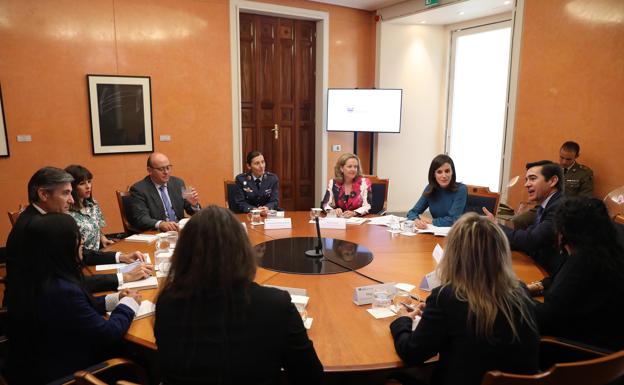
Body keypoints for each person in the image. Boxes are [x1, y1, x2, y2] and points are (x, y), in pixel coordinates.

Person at [154, 206, 323, 385]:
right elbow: (310, 377)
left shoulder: (166, 301)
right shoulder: (275, 305)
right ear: (243, 251)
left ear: (183, 253)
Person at [390, 213, 539, 385]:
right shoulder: (520, 290)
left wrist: (401, 320)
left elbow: (411, 353)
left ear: (454, 254)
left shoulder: (446, 297)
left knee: (392, 379)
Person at [5, 213, 141, 384]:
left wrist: (115, 298)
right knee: (140, 359)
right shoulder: (62, 289)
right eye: (77, 236)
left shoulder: (36, 274)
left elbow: (76, 310)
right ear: (61, 245)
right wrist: (128, 304)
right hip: (69, 372)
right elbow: (107, 334)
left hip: (38, 358)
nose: (82, 240)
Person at [6, 167, 152, 294]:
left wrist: (122, 257)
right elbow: (69, 284)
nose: (71, 200)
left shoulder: (41, 217)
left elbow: (79, 253)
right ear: (43, 194)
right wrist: (124, 277)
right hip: (36, 312)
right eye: (65, 193)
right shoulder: (38, 228)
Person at [527, 198, 624, 351]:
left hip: (581, 355)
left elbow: (546, 318)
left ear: (564, 232)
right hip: (612, 352)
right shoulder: (607, 249)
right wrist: (537, 286)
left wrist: (514, 299)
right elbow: (559, 280)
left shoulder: (583, 262)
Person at [484, 160, 564, 275]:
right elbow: (527, 234)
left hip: (550, 275)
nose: (526, 184)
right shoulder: (546, 205)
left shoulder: (559, 207)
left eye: (532, 178)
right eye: (526, 180)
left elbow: (531, 240)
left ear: (552, 181)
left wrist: (496, 225)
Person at [511, 141, 594, 229]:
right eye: (561, 157)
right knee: (518, 220)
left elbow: (585, 199)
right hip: (543, 208)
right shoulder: (551, 169)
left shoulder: (584, 173)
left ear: (576, 156)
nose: (564, 162)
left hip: (566, 211)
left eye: (568, 159)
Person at [128, 152, 200, 231]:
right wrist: (160, 224)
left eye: (168, 167)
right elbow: (141, 218)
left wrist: (194, 205)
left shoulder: (178, 183)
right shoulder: (138, 189)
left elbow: (192, 211)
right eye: (161, 169)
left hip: (179, 232)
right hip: (157, 234)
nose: (166, 172)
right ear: (149, 170)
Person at [406, 154, 467, 228]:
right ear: (434, 174)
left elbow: (453, 220)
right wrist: (416, 220)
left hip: (458, 233)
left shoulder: (461, 189)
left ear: (452, 172)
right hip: (437, 232)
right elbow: (412, 212)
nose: (444, 176)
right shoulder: (430, 189)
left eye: (447, 171)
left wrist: (430, 221)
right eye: (439, 172)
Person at [65, 164, 114, 251]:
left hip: (98, 253)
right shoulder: (66, 211)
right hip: (82, 257)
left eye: (89, 181)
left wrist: (103, 239)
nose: (88, 187)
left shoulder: (93, 204)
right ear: (71, 187)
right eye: (82, 183)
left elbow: (97, 228)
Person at [321, 153, 371, 218]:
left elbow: (367, 206)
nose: (353, 169)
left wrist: (354, 213)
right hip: (339, 221)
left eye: (355, 167)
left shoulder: (364, 183)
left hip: (357, 221)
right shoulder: (333, 183)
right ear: (341, 168)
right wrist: (332, 211)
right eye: (349, 166)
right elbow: (325, 204)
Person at [233, 150, 279, 215]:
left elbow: (274, 201)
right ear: (249, 166)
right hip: (248, 216)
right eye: (257, 163)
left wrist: (267, 208)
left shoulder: (272, 178)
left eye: (263, 162)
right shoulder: (241, 179)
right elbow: (240, 202)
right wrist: (254, 210)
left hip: (267, 215)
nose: (261, 166)